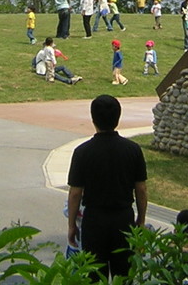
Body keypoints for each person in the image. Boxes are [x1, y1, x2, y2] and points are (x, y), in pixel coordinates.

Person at [67, 95, 148, 278]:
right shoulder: (133, 149)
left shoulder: (82, 152)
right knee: (123, 275)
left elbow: (75, 193)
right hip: (123, 217)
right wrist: (141, 220)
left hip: (94, 219)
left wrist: (72, 224)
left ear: (93, 118)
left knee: (94, 275)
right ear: (118, 118)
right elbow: (141, 189)